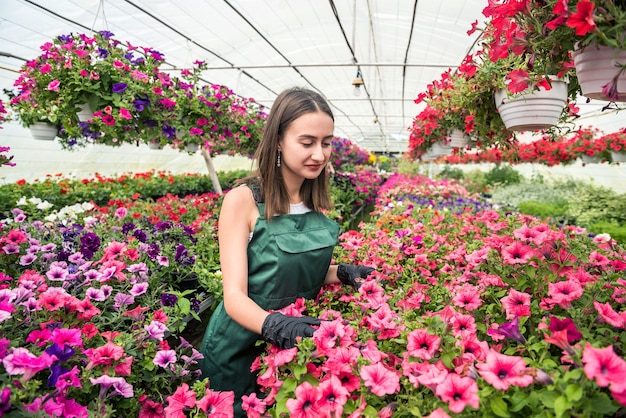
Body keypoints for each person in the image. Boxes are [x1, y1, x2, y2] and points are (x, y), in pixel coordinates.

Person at [198, 87, 374, 416]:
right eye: (307, 143)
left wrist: (343, 272)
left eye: (326, 142)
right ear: (278, 140)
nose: (319, 154)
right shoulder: (244, 200)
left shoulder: (313, 203)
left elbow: (291, 272)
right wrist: (276, 327)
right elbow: (234, 296)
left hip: (287, 348)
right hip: (240, 347)